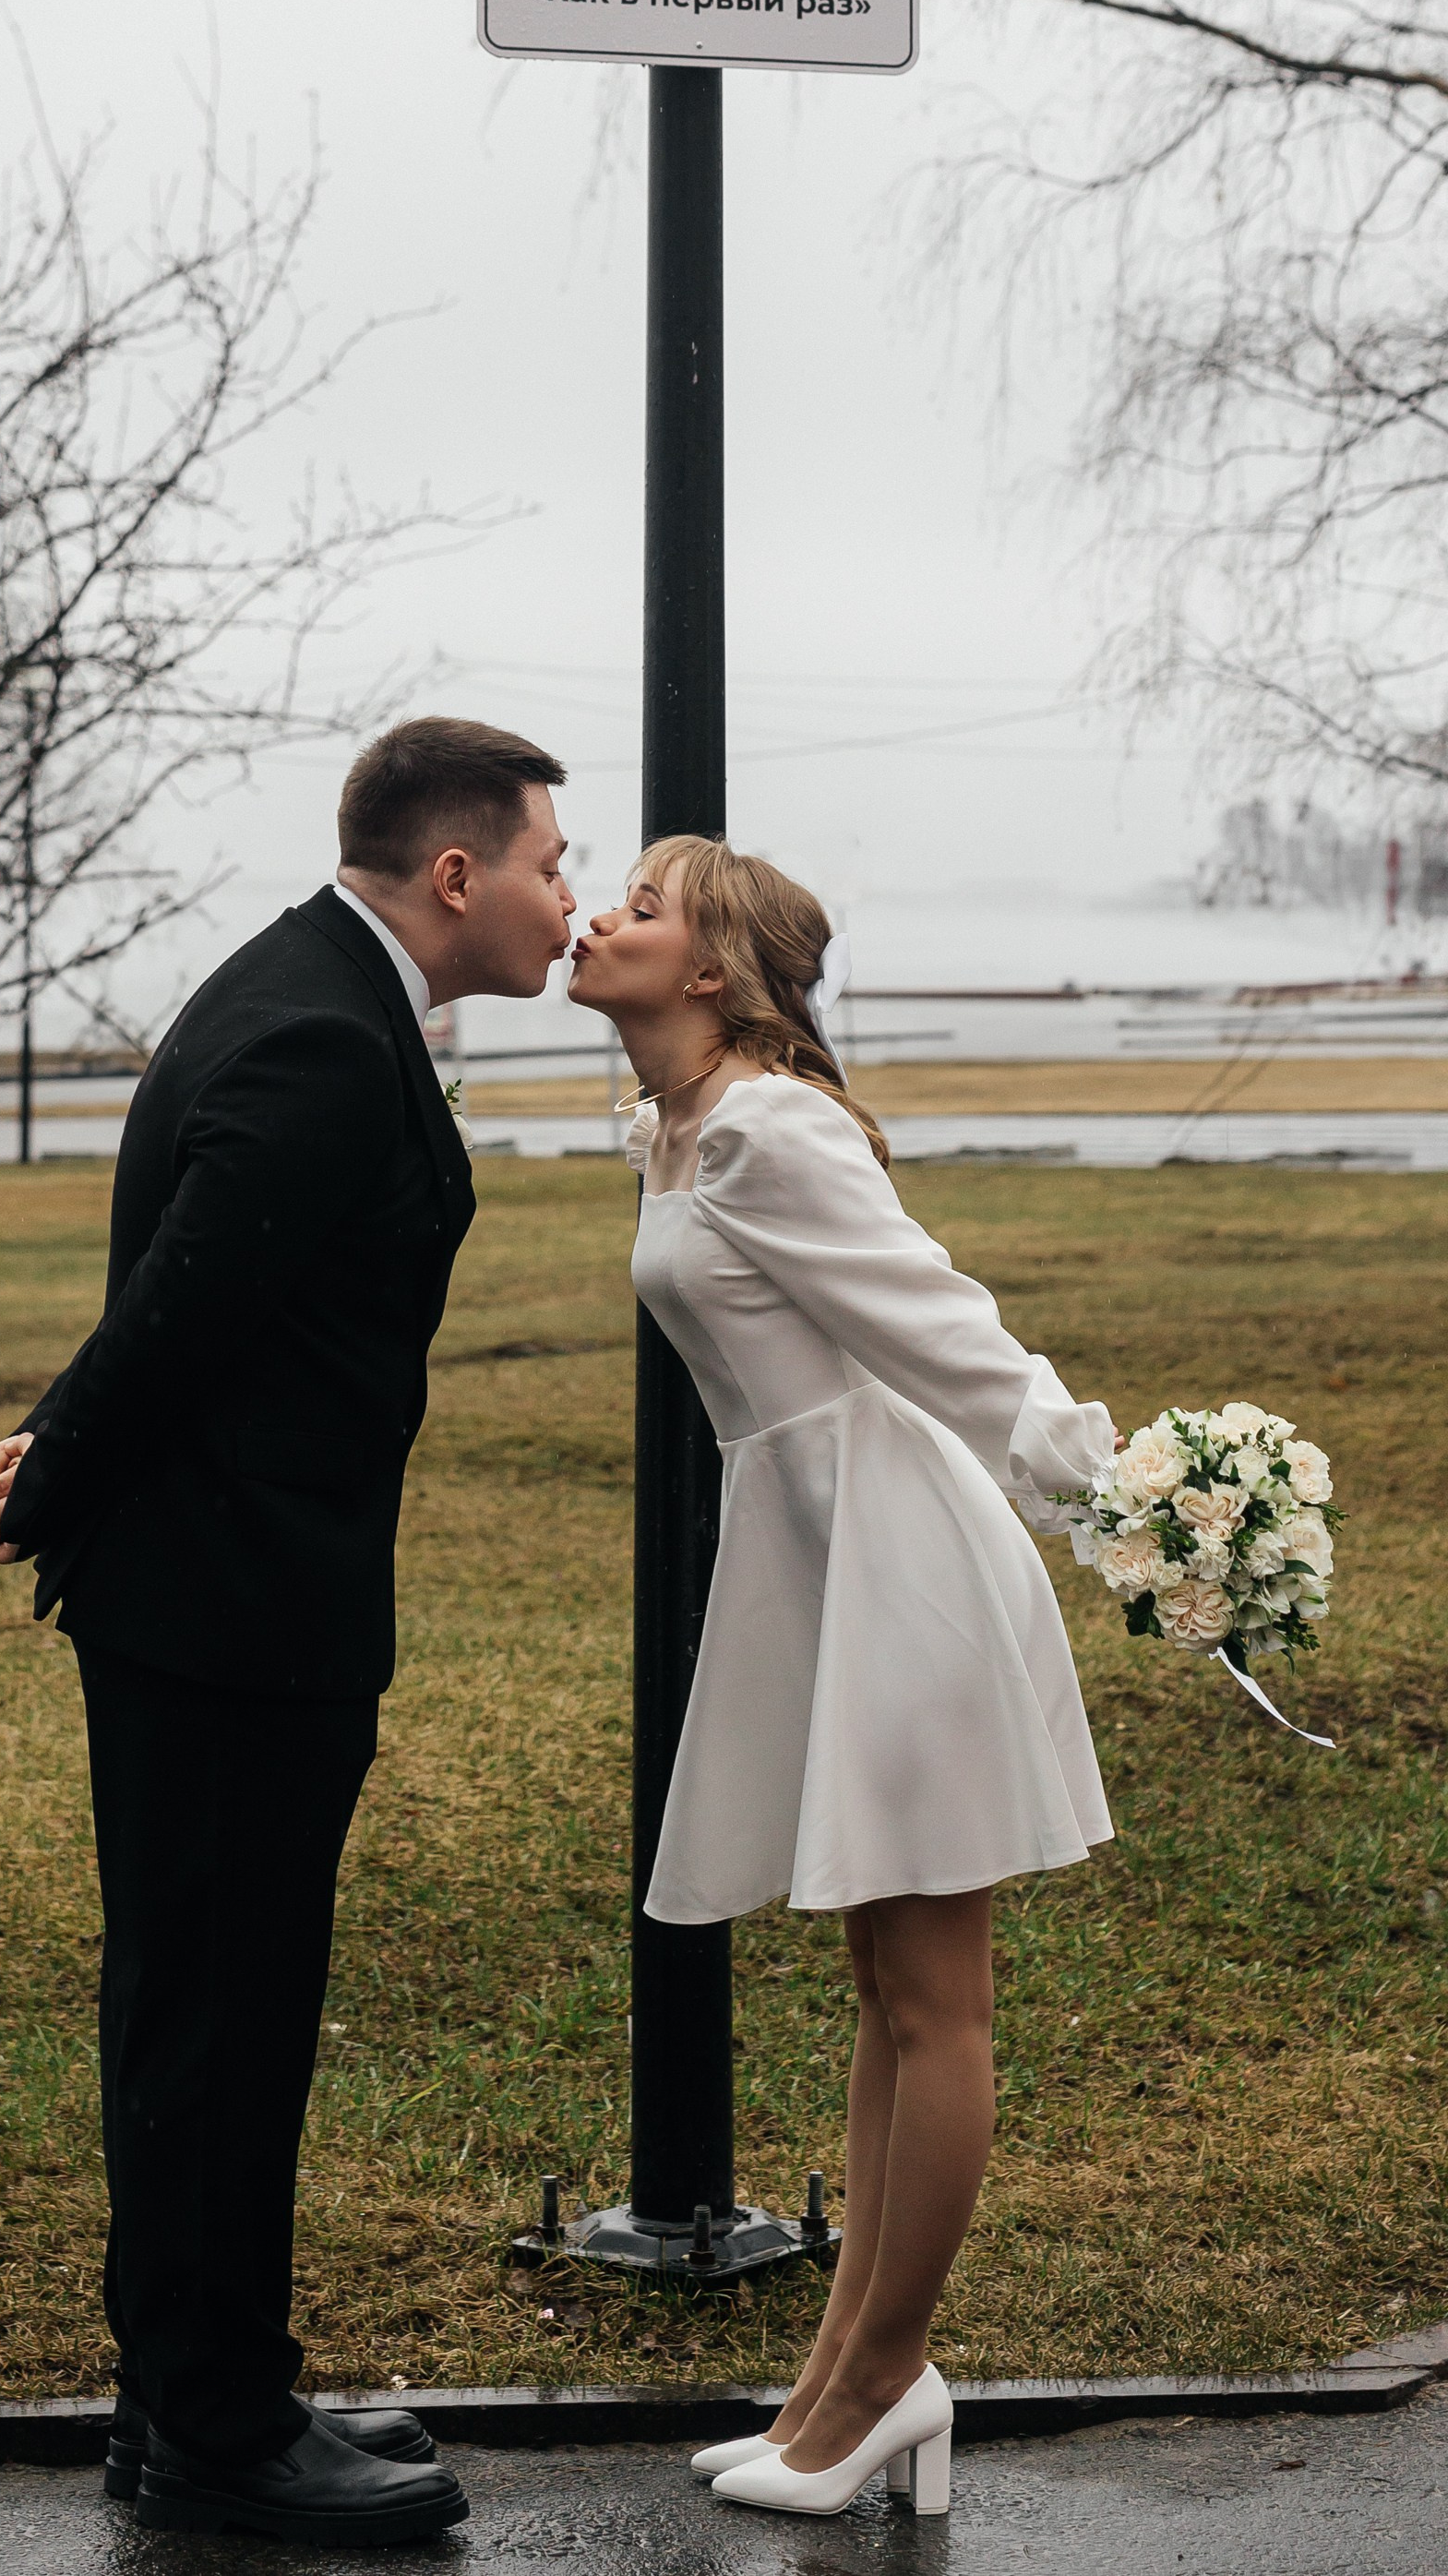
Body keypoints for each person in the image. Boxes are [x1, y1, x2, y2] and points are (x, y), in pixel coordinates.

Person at [0, 718, 575, 2547]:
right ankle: (219, 2427)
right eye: (548, 862)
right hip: (229, 1612)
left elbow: (212, 1280)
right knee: (221, 2024)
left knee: (205, 2011)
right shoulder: (322, 1030)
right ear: (454, 874)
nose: (566, 896)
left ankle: (185, 2396)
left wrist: (58, 1445)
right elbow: (190, 1297)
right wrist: (55, 1467)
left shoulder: (313, 987)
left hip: (222, 1599)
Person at [567, 837, 1116, 2522]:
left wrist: (1126, 1502)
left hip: (905, 1568)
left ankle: (879, 2382)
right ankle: (842, 2381)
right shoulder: (673, 1126)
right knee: (882, 1987)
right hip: (817, 1558)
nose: (593, 917)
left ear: (708, 974)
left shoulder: (769, 1128)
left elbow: (942, 1329)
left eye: (639, 908)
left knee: (933, 1998)